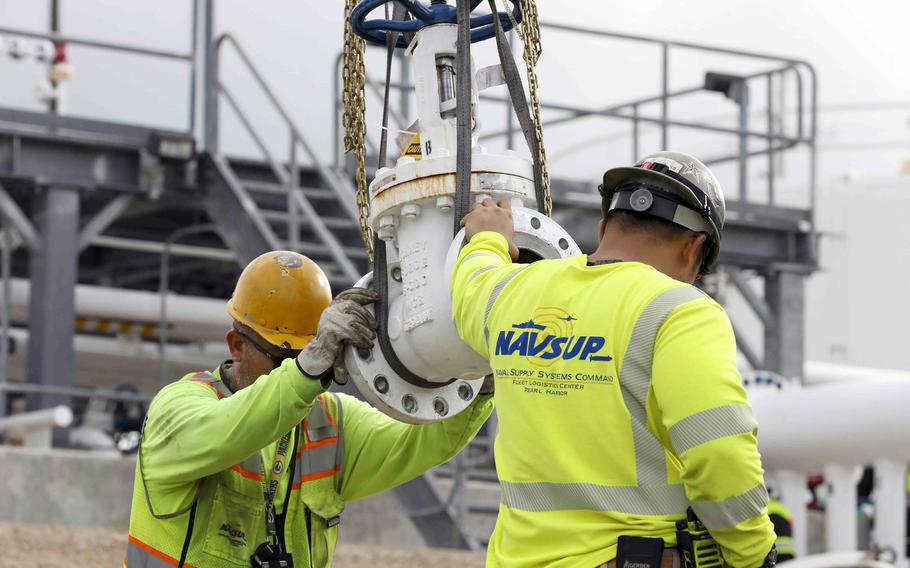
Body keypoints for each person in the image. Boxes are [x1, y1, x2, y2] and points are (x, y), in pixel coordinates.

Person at [451, 151, 777, 567]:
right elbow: (718, 452)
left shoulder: (510, 294)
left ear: (605, 227)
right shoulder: (681, 311)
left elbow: (471, 281)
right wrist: (752, 554)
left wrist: (489, 236)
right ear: (695, 249)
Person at [127, 250, 493, 567]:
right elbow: (232, 429)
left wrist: (476, 379)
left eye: (314, 354)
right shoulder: (177, 410)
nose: (300, 369)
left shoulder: (330, 424)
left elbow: (423, 438)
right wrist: (306, 370)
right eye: (284, 357)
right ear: (237, 345)